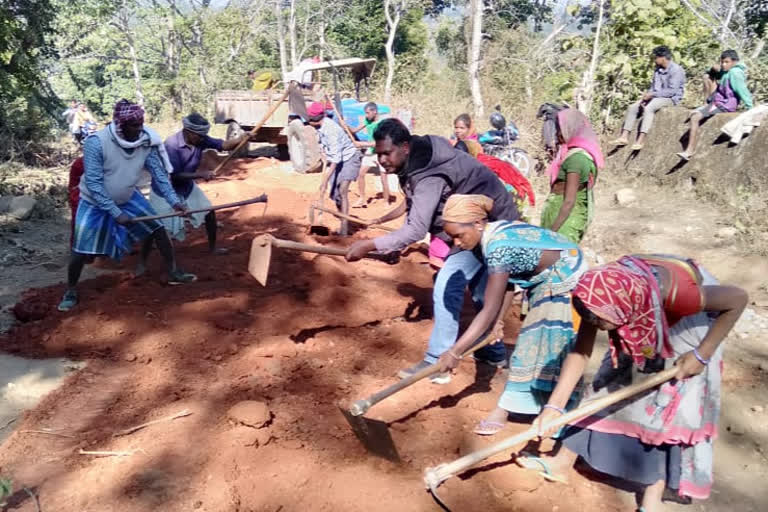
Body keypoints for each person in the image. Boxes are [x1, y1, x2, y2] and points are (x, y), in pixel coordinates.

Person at [529, 255, 747, 512]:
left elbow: (737, 299)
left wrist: (701, 355)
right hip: (636, 307)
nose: (598, 328)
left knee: (666, 406)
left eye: (603, 323)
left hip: (689, 324)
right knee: (604, 385)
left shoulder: (678, 295)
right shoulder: (595, 296)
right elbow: (581, 352)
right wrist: (553, 407)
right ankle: (562, 461)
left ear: (623, 313)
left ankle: (652, 498)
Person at [345, 119, 520, 382]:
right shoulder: (417, 157)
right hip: (474, 227)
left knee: (447, 284)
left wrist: (369, 245)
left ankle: (437, 362)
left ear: (405, 147)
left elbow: (416, 230)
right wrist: (390, 243)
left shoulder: (429, 173)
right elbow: (416, 209)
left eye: (386, 153)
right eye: (377, 153)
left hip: (489, 227)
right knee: (483, 291)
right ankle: (493, 352)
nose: (381, 160)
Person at [434, 195, 587, 434]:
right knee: (540, 342)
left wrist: (456, 351)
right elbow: (507, 283)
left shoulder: (498, 246)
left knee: (539, 342)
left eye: (458, 235)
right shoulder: (484, 239)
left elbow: (489, 306)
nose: (456, 243)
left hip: (564, 275)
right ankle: (540, 405)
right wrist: (498, 323)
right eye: (451, 237)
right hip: (543, 276)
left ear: (477, 223)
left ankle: (523, 411)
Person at [57, 99, 197, 312]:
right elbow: (94, 183)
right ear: (121, 125)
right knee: (80, 249)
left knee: (158, 229)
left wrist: (175, 201)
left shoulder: (144, 141)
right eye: (134, 126)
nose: (139, 129)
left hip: (128, 196)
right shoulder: (97, 142)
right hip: (94, 202)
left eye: (141, 125)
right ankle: (71, 290)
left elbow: (159, 175)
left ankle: (174, 271)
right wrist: (115, 212)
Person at [145, 112, 252, 261]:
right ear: (188, 132)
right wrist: (201, 174)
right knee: (157, 224)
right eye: (199, 136)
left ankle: (213, 247)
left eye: (203, 136)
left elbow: (223, 145)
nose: (202, 139)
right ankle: (144, 257)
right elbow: (174, 175)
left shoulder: (199, 139)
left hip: (186, 187)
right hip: (165, 190)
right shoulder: (171, 146)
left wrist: (242, 138)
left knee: (209, 211)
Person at [540, 107, 604, 244]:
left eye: (560, 129)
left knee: (559, 257)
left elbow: (569, 201)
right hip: (559, 212)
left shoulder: (577, 159)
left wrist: (553, 231)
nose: (557, 134)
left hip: (565, 219)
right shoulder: (570, 153)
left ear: (571, 128)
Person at [677, 49, 753, 160]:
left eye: (726, 62)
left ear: (734, 62)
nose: (723, 64)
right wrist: (713, 68)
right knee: (707, 76)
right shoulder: (728, 71)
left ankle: (689, 151)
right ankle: (705, 105)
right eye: (722, 62)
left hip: (724, 105)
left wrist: (749, 107)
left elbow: (742, 90)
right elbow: (711, 72)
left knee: (695, 118)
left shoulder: (734, 73)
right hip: (718, 100)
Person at [611, 46, 686, 151]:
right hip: (657, 95)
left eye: (656, 57)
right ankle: (624, 137)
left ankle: (640, 140)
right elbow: (654, 87)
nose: (655, 60)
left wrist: (652, 96)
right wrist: (647, 96)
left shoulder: (676, 70)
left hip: (671, 98)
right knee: (633, 107)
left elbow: (671, 91)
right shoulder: (658, 70)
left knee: (649, 108)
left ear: (663, 58)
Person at [308, 101, 362, 236]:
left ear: (315, 120)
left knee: (343, 189)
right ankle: (343, 217)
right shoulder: (319, 128)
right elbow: (325, 147)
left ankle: (344, 229)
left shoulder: (331, 130)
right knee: (335, 194)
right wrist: (323, 153)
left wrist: (325, 180)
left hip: (350, 158)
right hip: (336, 160)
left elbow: (336, 159)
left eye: (310, 120)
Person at [350, 102, 391, 207]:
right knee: (361, 174)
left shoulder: (382, 125)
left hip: (382, 152)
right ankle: (362, 199)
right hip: (371, 151)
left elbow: (379, 143)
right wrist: (344, 125)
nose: (366, 115)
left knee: (383, 177)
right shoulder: (367, 120)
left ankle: (386, 201)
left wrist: (361, 144)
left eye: (368, 113)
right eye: (365, 113)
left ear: (375, 112)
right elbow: (354, 130)